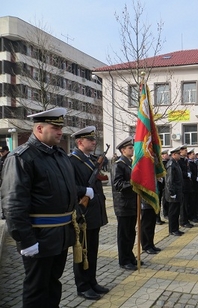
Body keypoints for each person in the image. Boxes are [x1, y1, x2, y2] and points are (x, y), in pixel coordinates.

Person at [1, 108, 77, 307]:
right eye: (55, 127)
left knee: (53, 283)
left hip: (60, 235)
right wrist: (25, 240)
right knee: (37, 288)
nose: (60, 132)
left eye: (61, 127)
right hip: (38, 236)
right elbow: (13, 203)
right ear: (40, 128)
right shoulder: (21, 157)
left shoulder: (59, 156)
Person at [69, 126, 109, 300]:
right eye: (90, 140)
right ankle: (82, 286)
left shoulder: (90, 159)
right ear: (79, 142)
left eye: (94, 139)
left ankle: (92, 281)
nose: (94, 142)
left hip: (94, 212)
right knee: (82, 251)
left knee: (92, 250)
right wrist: (83, 191)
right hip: (83, 213)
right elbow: (69, 187)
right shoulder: (72, 161)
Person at [112, 137, 140, 271]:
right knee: (124, 235)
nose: (132, 149)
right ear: (123, 150)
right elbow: (117, 185)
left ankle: (130, 255)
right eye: (130, 148)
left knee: (131, 233)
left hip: (132, 203)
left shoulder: (130, 163)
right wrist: (133, 184)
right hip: (123, 205)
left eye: (132, 147)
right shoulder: (119, 164)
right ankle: (124, 260)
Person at [164, 146, 184, 236]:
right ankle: (172, 230)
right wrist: (172, 193)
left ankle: (176, 228)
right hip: (173, 193)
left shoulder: (175, 163)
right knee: (173, 212)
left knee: (176, 212)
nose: (180, 155)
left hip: (177, 191)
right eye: (178, 154)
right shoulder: (171, 164)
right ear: (174, 154)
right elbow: (169, 180)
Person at [0, 145, 10, 219]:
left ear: (7, 150)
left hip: (9, 181)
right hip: (2, 181)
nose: (1, 153)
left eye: (2, 151)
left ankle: (7, 213)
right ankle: (3, 213)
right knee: (3, 198)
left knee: (8, 198)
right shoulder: (1, 159)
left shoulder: (10, 157)